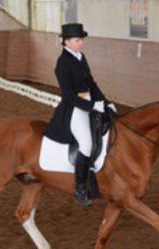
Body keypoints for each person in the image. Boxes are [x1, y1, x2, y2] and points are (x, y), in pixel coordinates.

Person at [43, 23, 117, 207]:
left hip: (90, 104)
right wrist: (92, 105)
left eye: (81, 40)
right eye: (78, 40)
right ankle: (80, 189)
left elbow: (91, 84)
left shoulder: (80, 57)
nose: (81, 43)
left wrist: (105, 102)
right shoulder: (62, 64)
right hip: (74, 109)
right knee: (86, 144)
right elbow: (68, 96)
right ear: (66, 42)